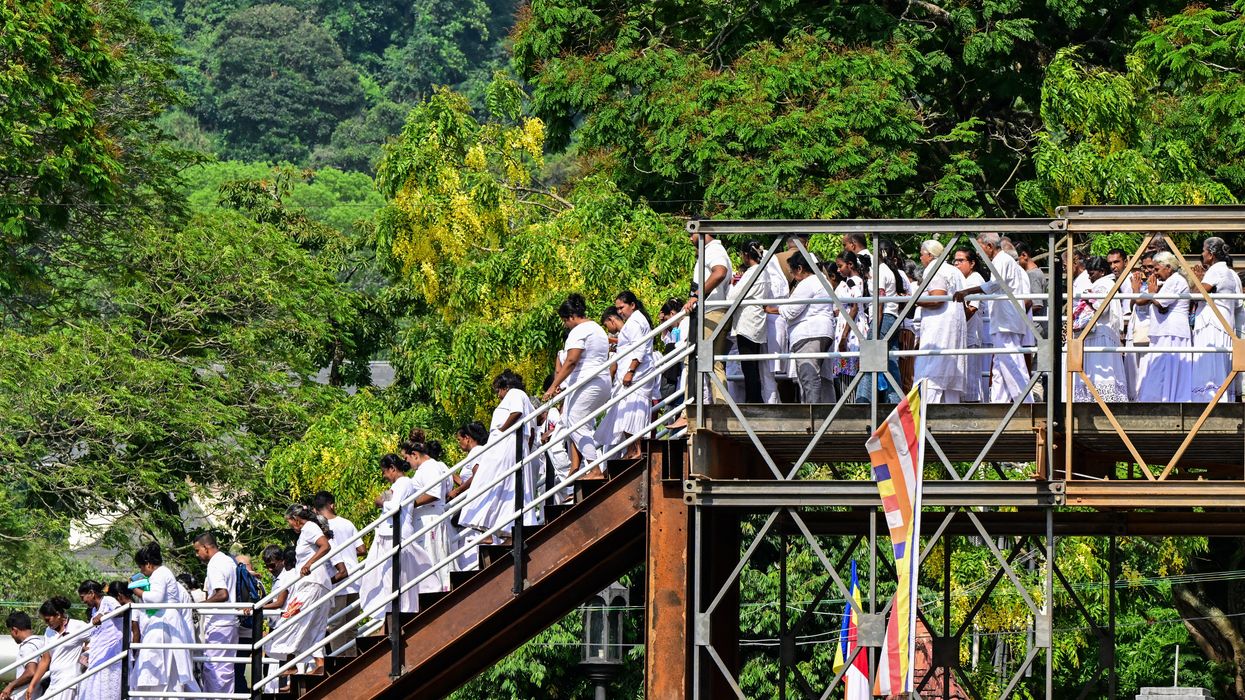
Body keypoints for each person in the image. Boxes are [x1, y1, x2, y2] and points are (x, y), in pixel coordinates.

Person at [358, 455, 439, 619]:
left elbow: (394, 506)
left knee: (396, 578)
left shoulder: (404, 483)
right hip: (389, 535)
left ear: (392, 469)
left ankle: (400, 613)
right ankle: (395, 612)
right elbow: (386, 498)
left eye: (384, 472)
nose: (384, 476)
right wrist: (381, 500)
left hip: (395, 535)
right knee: (389, 578)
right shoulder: (398, 485)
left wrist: (382, 502)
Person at [956, 233, 1033, 404]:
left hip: (1006, 321)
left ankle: (1026, 402)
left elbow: (993, 285)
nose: (979, 252)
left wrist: (967, 291)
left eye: (980, 248)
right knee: (1000, 365)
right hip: (1005, 320)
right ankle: (999, 402)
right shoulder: (1004, 261)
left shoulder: (1001, 260)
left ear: (989, 246)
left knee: (1012, 361)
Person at [269, 505, 342, 677]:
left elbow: (325, 546)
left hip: (313, 583)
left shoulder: (309, 528)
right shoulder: (308, 530)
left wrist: (309, 563)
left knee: (289, 618)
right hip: (318, 583)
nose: (291, 527)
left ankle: (291, 663)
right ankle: (319, 663)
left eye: (290, 523)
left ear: (296, 518)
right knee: (315, 625)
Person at [542, 295, 610, 479]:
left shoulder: (579, 331)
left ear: (571, 316)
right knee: (578, 423)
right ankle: (584, 467)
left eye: (565, 321)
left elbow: (572, 361)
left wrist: (552, 386)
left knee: (574, 422)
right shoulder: (597, 329)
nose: (566, 325)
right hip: (600, 382)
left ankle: (594, 468)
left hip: (588, 383)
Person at [129, 543, 200, 697]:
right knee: (167, 668)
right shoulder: (164, 572)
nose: (141, 571)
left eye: (141, 567)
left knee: (158, 665)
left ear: (148, 564)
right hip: (167, 622)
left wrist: (137, 591)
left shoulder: (159, 574)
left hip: (164, 624)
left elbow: (156, 598)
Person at [1134, 251, 1193, 402]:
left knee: (1165, 369)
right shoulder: (1170, 281)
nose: (1154, 273)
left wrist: (1152, 293)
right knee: (1160, 370)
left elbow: (1161, 303)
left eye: (1156, 269)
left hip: (1171, 333)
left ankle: (1167, 400)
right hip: (1165, 331)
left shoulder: (1176, 280)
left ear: (1168, 267)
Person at [914, 240, 967, 403]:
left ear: (929, 255)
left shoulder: (934, 268)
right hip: (953, 327)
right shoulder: (954, 270)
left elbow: (938, 298)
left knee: (931, 373)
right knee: (948, 377)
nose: (921, 258)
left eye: (922, 254)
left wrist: (913, 300)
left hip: (939, 329)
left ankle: (926, 418)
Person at [683, 229, 733, 402]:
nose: (690, 238)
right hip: (712, 312)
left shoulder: (713, 249)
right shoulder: (710, 250)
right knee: (712, 363)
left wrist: (697, 295)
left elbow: (720, 272)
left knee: (695, 361)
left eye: (691, 233)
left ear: (701, 231)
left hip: (711, 312)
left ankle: (689, 411)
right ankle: (719, 405)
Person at [1070, 256, 1129, 402]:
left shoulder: (1103, 284)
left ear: (1102, 272)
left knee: (1101, 370)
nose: (1090, 277)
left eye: (1091, 273)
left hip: (1100, 334)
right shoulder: (1106, 283)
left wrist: (1088, 297)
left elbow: (1102, 307)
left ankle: (1099, 400)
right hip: (1099, 334)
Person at [313, 491, 364, 657]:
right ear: (332, 504)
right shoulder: (347, 524)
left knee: (335, 626)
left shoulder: (320, 529)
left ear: (315, 509)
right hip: (355, 579)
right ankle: (351, 661)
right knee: (351, 627)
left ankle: (339, 663)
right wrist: (348, 554)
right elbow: (362, 549)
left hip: (337, 582)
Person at [855, 239, 905, 404]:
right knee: (890, 361)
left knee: (869, 358)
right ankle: (895, 400)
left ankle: (863, 400)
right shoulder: (890, 270)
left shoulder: (881, 271)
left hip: (883, 318)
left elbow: (880, 300)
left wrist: (875, 327)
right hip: (892, 318)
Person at [780, 253, 835, 403]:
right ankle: (828, 414)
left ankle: (814, 417)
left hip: (808, 334)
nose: (792, 276)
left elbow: (790, 311)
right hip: (824, 332)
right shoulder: (824, 281)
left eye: (792, 272)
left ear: (800, 268)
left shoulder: (808, 282)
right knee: (822, 378)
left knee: (809, 376)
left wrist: (780, 309)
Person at [1192, 237, 1241, 402]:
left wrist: (1198, 279)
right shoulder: (1231, 273)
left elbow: (1197, 294)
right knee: (1220, 363)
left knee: (1209, 364)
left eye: (1204, 250)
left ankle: (1208, 399)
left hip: (1211, 324)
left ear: (1211, 254)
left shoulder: (1214, 270)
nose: (1202, 254)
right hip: (1225, 324)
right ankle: (1222, 397)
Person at [191, 532, 238, 694]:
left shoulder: (214, 564)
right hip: (230, 622)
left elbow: (222, 594)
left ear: (206, 547)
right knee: (226, 669)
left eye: (197, 551)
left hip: (219, 623)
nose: (197, 555)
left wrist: (201, 606)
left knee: (214, 669)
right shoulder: (228, 560)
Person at [403, 441, 451, 590]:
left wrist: (411, 503)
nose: (407, 463)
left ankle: (438, 590)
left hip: (430, 519)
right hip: (424, 519)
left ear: (415, 455)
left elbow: (434, 493)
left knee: (432, 557)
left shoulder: (430, 467)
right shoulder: (424, 469)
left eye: (406, 459)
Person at [727, 246, 769, 404]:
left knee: (748, 366)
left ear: (746, 255)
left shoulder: (752, 272)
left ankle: (753, 401)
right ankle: (754, 399)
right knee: (753, 365)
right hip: (757, 321)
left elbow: (732, 296)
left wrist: (732, 284)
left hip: (747, 323)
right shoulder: (764, 272)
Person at [27, 597, 89, 700]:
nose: (47, 623)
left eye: (48, 620)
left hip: (69, 682)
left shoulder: (77, 626)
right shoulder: (48, 631)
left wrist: (87, 652)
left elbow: (96, 638)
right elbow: (45, 659)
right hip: (54, 681)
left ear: (58, 615)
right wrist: (32, 685)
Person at [953, 247, 990, 402]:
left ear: (972, 263)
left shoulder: (975, 280)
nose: (956, 264)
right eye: (955, 260)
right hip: (964, 338)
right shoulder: (964, 279)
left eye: (961, 260)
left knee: (970, 383)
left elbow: (971, 310)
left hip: (971, 338)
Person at [76, 580, 124, 700]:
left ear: (91, 593)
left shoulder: (108, 601)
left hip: (110, 656)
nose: (83, 601)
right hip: (98, 656)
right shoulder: (93, 611)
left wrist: (105, 615)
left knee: (106, 692)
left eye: (83, 597)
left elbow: (122, 611)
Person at [3, 612, 46, 700]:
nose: (11, 636)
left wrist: (11, 685)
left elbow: (31, 672)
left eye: (10, 631)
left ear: (15, 630)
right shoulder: (41, 643)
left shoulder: (27, 647)